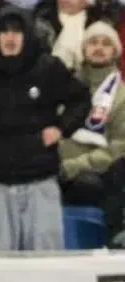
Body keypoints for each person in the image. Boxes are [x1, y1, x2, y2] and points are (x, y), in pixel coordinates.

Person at [0, 6, 90, 251]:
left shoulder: (48, 67)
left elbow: (81, 99)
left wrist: (61, 127)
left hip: (41, 179)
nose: (10, 37)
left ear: (27, 35)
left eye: (17, 31)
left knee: (47, 262)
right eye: (4, 31)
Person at [59, 21, 125, 205]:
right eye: (93, 42)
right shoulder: (65, 86)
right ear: (84, 48)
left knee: (86, 185)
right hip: (53, 166)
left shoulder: (122, 95)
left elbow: (119, 147)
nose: (99, 48)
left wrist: (73, 166)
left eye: (106, 44)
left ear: (115, 51)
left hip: (96, 173)